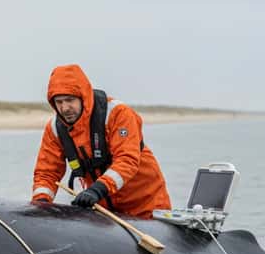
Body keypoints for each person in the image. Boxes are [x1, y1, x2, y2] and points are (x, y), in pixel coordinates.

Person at [31, 64, 171, 218]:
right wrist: (41, 204)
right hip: (105, 213)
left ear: (83, 96)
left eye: (69, 100)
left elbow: (127, 160)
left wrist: (97, 189)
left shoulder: (117, 114)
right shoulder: (55, 129)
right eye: (59, 102)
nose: (64, 108)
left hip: (146, 205)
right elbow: (46, 173)